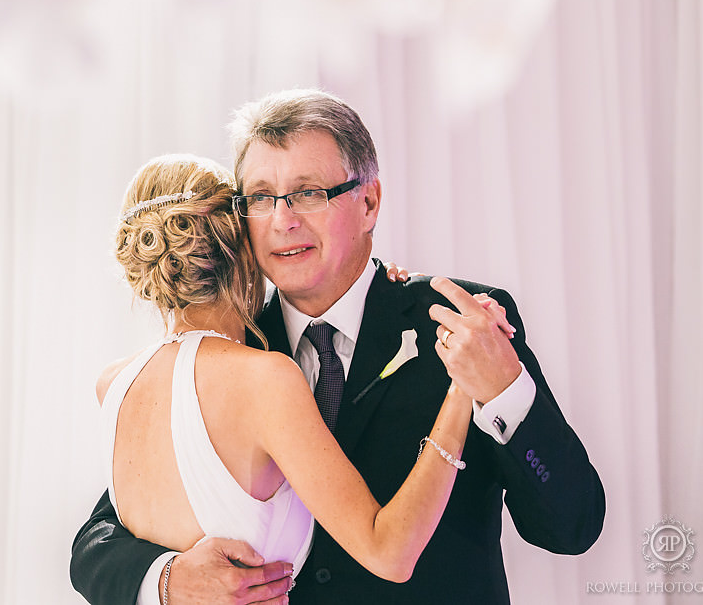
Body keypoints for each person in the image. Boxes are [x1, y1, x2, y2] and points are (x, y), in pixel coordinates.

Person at [71, 89, 605, 605]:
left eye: (309, 192)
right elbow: (100, 539)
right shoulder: (233, 357)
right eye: (261, 197)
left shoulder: (463, 322)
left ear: (369, 202)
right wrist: (166, 581)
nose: (283, 220)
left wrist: (504, 392)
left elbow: (572, 527)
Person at [96, 152, 475, 599]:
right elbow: (389, 552)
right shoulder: (264, 378)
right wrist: (463, 388)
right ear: (242, 245)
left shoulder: (113, 385)